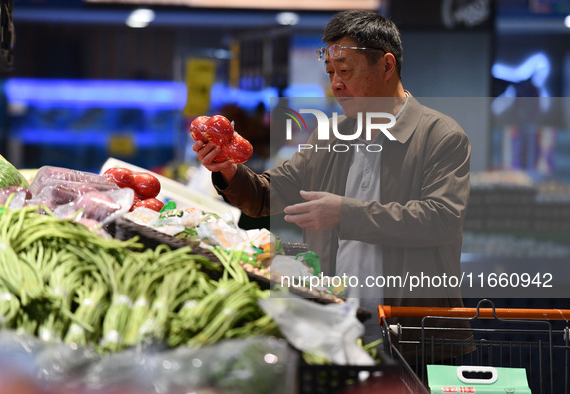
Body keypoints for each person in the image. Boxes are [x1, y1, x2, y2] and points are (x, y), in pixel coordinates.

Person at [193, 9, 472, 362]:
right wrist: (228, 171)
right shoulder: (330, 136)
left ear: (386, 66)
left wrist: (343, 213)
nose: (335, 84)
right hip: (336, 330)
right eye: (330, 73)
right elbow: (267, 195)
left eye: (345, 71)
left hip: (417, 337)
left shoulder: (440, 136)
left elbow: (441, 219)